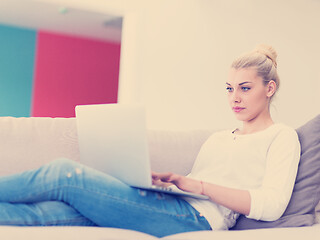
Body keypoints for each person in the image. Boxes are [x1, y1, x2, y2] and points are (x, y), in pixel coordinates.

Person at [0, 44, 300, 237]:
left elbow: (272, 205)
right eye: (229, 88)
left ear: (269, 88)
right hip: (171, 203)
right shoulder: (219, 138)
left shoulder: (281, 137)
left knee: (64, 174)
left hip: (196, 220)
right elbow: (198, 180)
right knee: (46, 213)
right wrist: (169, 184)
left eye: (245, 88)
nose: (234, 98)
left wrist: (199, 186)